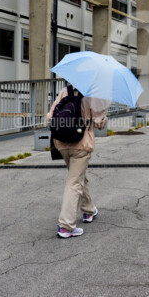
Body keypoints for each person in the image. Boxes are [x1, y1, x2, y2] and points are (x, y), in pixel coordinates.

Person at [47, 85, 107, 238]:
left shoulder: (64, 91)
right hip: (81, 145)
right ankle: (66, 226)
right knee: (74, 182)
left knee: (79, 177)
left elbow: (50, 116)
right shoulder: (94, 94)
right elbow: (99, 123)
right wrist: (101, 118)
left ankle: (88, 210)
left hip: (62, 144)